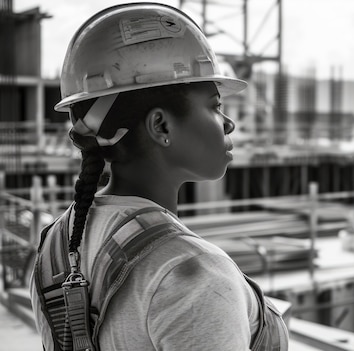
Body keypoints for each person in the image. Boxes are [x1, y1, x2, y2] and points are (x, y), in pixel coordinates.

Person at [29, 3, 288, 350]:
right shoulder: (193, 274)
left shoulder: (57, 243)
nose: (229, 123)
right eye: (214, 105)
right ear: (161, 125)